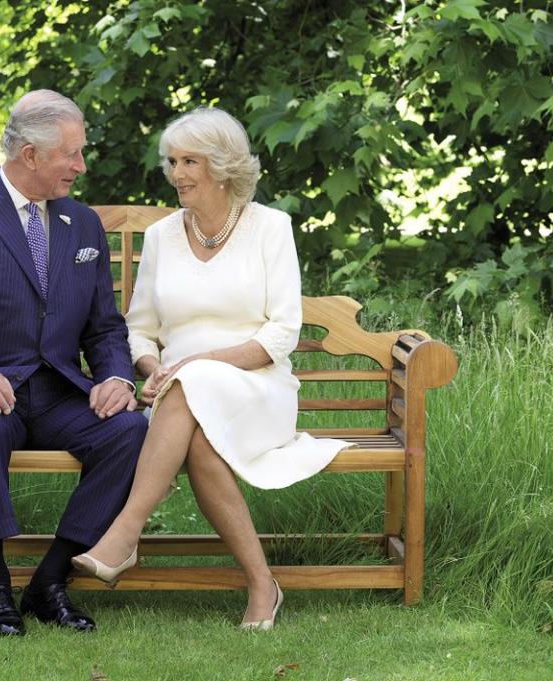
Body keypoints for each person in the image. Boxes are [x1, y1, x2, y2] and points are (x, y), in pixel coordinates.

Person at [72, 107, 350, 630]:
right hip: (183, 399)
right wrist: (154, 367)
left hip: (259, 390)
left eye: (190, 161)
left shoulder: (271, 228)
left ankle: (126, 529)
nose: (177, 173)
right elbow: (139, 329)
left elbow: (281, 333)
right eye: (172, 161)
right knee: (197, 431)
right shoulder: (160, 238)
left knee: (192, 379)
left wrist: (194, 364)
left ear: (222, 167)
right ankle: (262, 585)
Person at [0, 90, 147, 636]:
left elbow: (105, 327)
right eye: (72, 154)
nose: (81, 166)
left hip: (57, 393)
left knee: (129, 430)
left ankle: (50, 580)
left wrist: (114, 376)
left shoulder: (82, 224)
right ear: (31, 156)